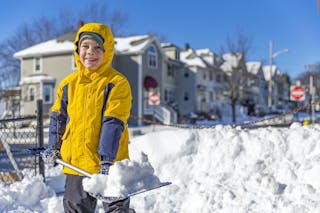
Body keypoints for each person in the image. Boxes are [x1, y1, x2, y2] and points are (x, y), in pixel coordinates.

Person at [41, 22, 134, 213]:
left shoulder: (116, 83)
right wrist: (53, 147)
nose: (90, 52)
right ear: (77, 49)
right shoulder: (68, 84)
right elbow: (58, 118)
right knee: (75, 208)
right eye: (85, 46)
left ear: (107, 51)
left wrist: (106, 159)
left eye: (97, 47)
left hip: (110, 162)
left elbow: (113, 121)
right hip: (76, 163)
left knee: (116, 209)